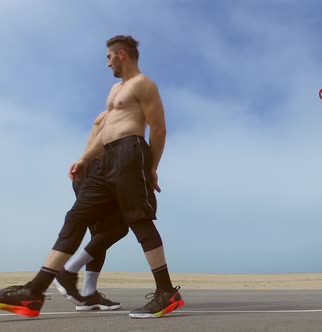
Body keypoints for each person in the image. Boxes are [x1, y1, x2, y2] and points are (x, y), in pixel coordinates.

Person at [0, 35, 184, 319]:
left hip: (130, 153)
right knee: (76, 217)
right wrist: (85, 159)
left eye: (109, 57)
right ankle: (34, 292)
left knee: (138, 220)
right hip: (106, 159)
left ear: (122, 54)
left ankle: (166, 291)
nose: (107, 62)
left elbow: (158, 129)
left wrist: (151, 168)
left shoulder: (143, 84)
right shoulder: (114, 90)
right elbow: (106, 130)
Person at [51, 110, 127, 311]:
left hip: (87, 175)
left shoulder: (104, 115)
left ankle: (88, 294)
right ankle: (68, 271)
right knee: (118, 229)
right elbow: (109, 143)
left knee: (99, 236)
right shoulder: (121, 114)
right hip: (100, 174)